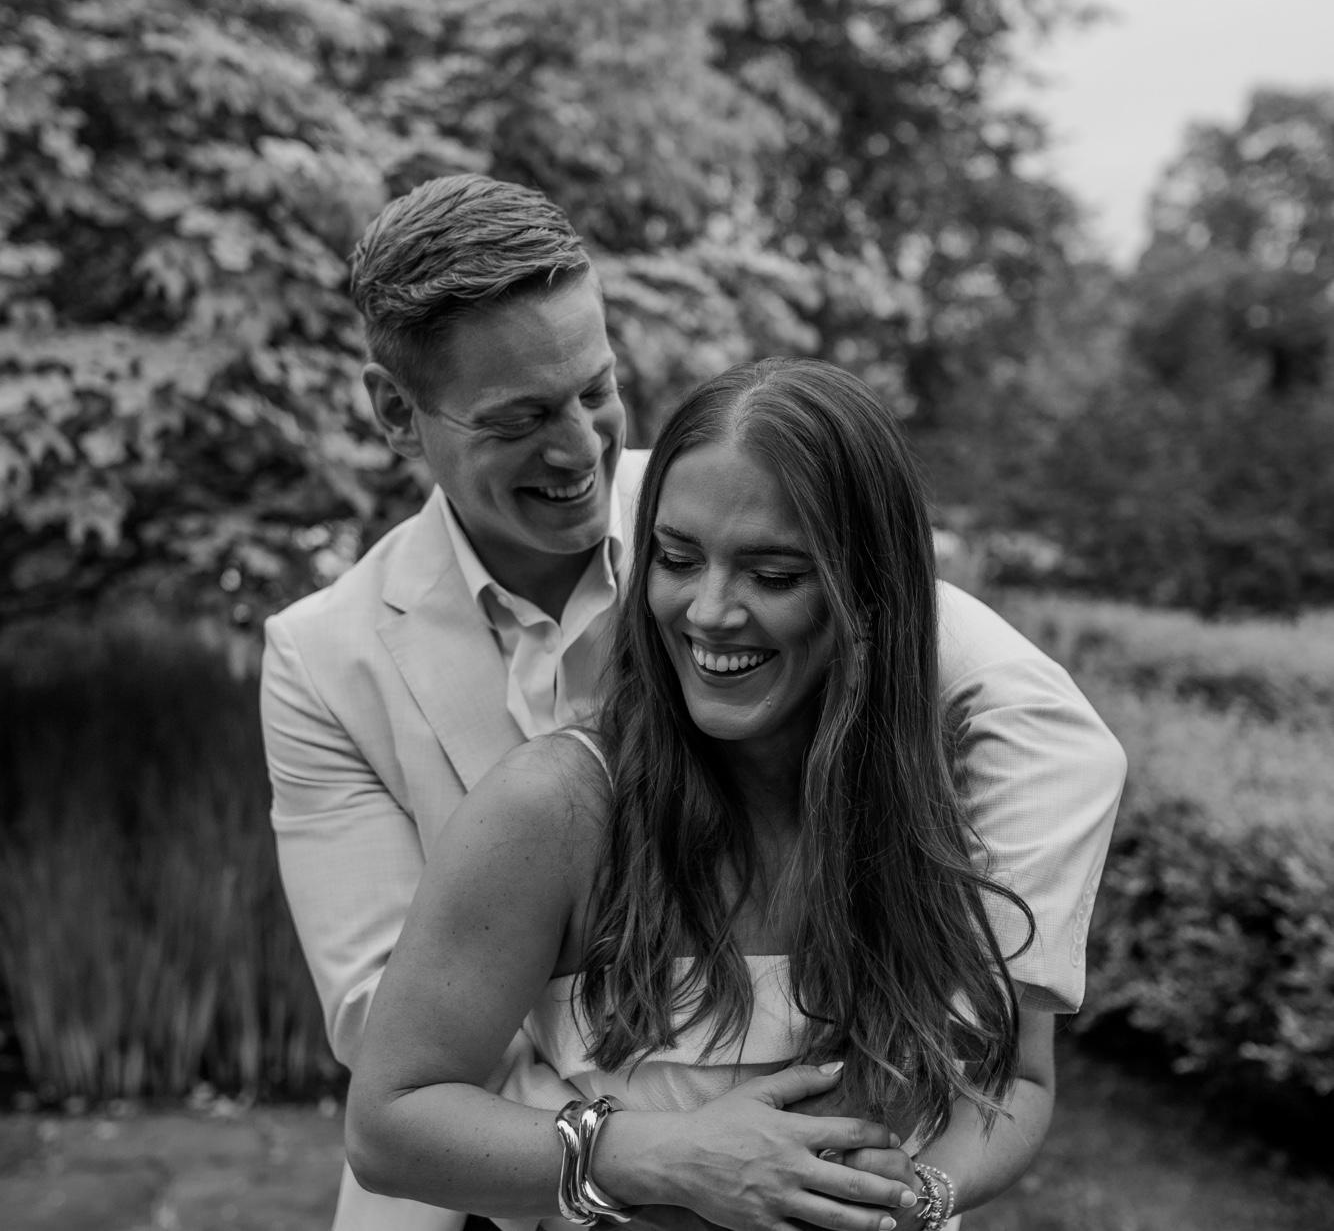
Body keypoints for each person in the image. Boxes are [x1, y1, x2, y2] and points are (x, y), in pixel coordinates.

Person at [261, 174, 1126, 1231]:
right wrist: (661, 1149)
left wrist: (951, 1022)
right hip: (476, 1191)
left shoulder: (729, 490)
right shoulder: (324, 657)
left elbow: (1047, 734)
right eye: (520, 418)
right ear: (398, 411)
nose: (577, 448)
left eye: (594, 390)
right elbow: (381, 1024)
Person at [344, 357, 1066, 1231]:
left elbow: (1018, 1077)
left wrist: (919, 1195)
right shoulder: (555, 809)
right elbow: (389, 1124)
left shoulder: (957, 802)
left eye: (774, 575)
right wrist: (664, 1157)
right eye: (678, 559)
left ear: (873, 592)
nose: (710, 612)